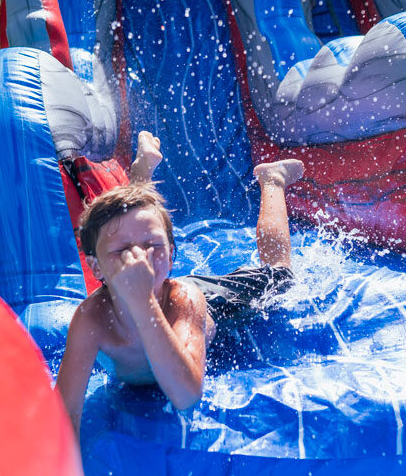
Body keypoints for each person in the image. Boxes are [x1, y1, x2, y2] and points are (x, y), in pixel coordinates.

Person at [56, 131, 305, 437]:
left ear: (172, 255)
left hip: (215, 304)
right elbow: (64, 414)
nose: (140, 258)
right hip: (154, 296)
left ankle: (272, 180)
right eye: (123, 250)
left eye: (154, 246)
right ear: (96, 267)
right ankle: (141, 175)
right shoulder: (91, 318)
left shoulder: (185, 299)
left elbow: (185, 396)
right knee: (136, 218)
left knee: (281, 276)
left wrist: (142, 301)